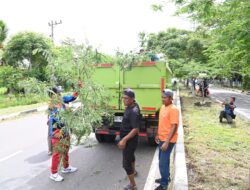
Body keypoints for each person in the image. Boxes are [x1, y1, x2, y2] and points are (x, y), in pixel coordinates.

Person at [48, 86, 79, 182]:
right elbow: (59, 120)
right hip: (57, 132)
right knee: (57, 153)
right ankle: (53, 173)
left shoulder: (62, 100)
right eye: (58, 93)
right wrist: (70, 111)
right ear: (53, 95)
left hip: (64, 131)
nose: (60, 95)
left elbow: (72, 97)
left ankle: (66, 167)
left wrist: (78, 88)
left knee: (65, 149)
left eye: (60, 93)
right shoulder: (52, 106)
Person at [154, 89, 179, 190]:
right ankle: (166, 177)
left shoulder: (173, 109)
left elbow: (174, 126)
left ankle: (164, 184)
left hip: (169, 140)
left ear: (170, 98)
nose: (162, 99)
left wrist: (167, 142)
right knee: (163, 160)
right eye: (162, 97)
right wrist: (157, 134)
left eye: (165, 97)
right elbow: (161, 122)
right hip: (162, 138)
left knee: (162, 162)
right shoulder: (163, 107)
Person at [118, 88, 140, 190]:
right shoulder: (132, 105)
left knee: (126, 164)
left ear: (132, 99)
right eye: (123, 98)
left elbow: (135, 129)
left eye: (126, 98)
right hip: (131, 139)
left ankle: (133, 185)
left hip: (130, 140)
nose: (124, 100)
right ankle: (134, 171)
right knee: (131, 156)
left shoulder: (133, 111)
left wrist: (124, 140)